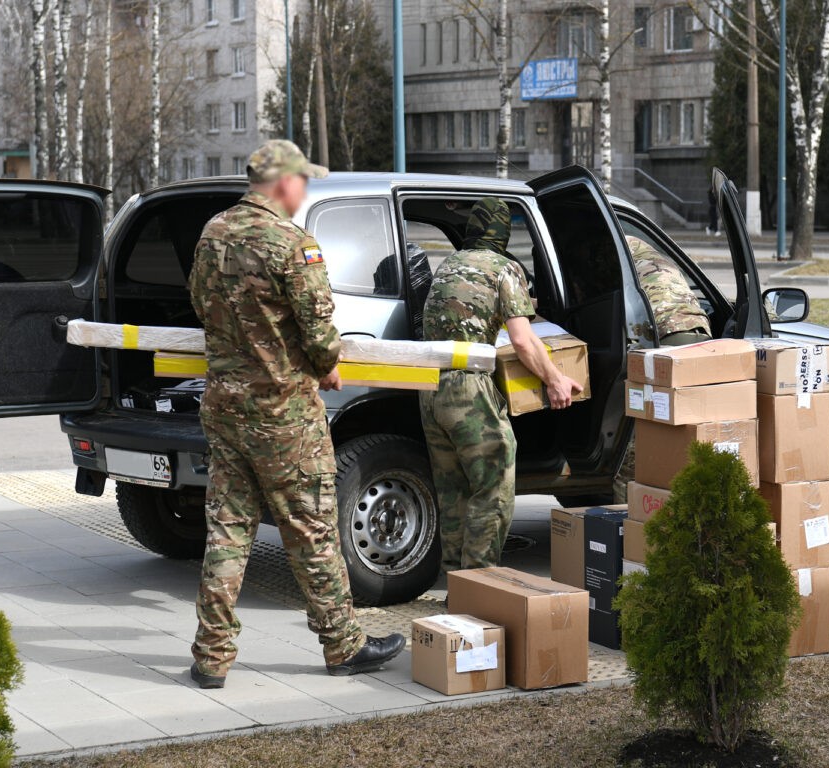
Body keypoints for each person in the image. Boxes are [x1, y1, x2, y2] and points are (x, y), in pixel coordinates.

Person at [188, 139, 403, 687]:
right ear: (283, 182)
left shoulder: (212, 232)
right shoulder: (293, 244)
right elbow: (320, 335)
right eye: (303, 180)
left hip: (224, 405)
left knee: (227, 529)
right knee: (311, 528)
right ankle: (343, 645)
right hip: (282, 413)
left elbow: (199, 304)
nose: (305, 189)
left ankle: (211, 657)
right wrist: (325, 361)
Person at [419, 197, 583, 573]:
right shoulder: (504, 268)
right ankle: (479, 581)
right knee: (494, 488)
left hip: (429, 387)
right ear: (503, 233)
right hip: (468, 391)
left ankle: (455, 581)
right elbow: (523, 341)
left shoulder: (450, 263)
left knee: (453, 492)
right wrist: (555, 380)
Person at [612, 236, 712, 502]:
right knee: (686, 438)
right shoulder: (646, 250)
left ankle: (627, 522)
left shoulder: (608, 249)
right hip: (700, 339)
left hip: (662, 340)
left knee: (636, 448)